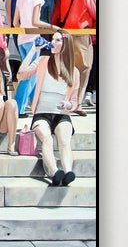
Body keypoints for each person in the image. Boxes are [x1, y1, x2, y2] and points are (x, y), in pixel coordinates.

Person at [18, 30, 82, 186]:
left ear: (65, 44)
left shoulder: (74, 71)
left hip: (61, 114)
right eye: (53, 39)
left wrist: (68, 105)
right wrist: (33, 50)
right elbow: (21, 75)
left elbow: (74, 102)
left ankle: (68, 172)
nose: (53, 42)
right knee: (46, 138)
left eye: (58, 40)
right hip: (41, 114)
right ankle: (55, 172)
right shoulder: (43, 61)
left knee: (64, 140)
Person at [53, 0, 96, 113]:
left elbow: (55, 17)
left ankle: (66, 100)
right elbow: (95, 14)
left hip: (66, 35)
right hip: (82, 35)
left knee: (69, 69)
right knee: (84, 68)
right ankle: (76, 103)